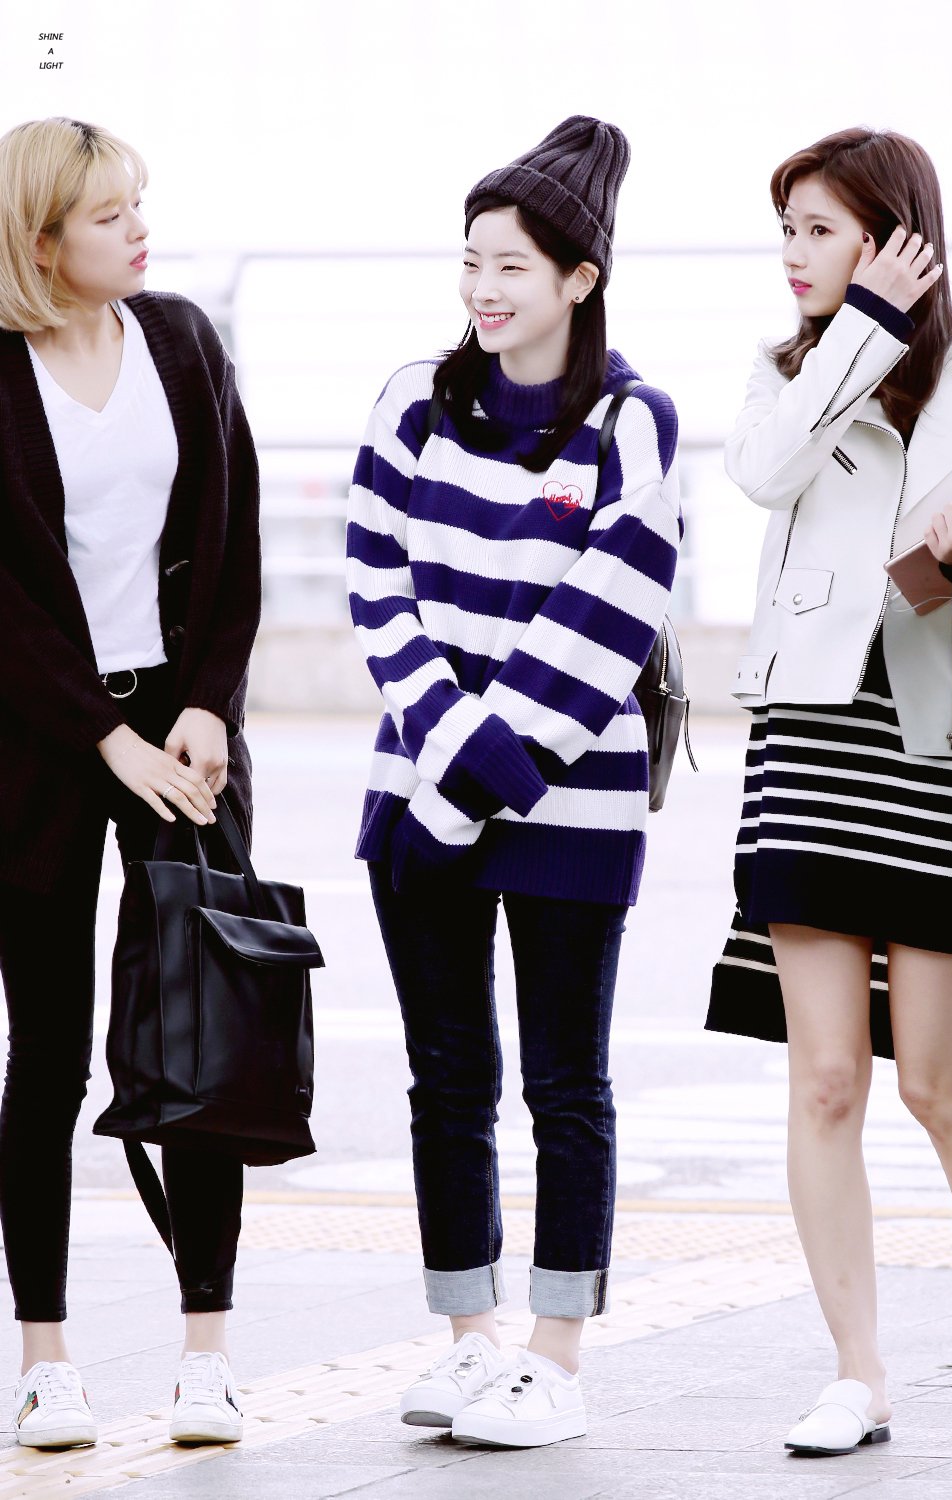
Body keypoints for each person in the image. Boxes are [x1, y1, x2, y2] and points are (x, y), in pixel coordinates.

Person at [346, 116, 680, 1450]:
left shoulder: (629, 422)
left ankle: (555, 1356)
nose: (484, 289)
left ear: (580, 278)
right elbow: (377, 584)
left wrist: (475, 781)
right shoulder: (412, 401)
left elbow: (608, 618)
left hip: (567, 811)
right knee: (446, 1080)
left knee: (565, 1086)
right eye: (472, 261)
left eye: (514, 267)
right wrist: (447, 762)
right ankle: (470, 1340)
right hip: (418, 795)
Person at [705, 127, 952, 1454]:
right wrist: (859, 334)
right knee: (825, 1078)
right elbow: (763, 473)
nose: (793, 255)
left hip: (946, 743)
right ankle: (857, 1374)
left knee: (939, 1081)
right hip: (813, 740)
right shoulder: (788, 371)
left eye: (820, 230)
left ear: (894, 237)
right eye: (789, 229)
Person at [0, 118, 260, 1449]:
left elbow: (233, 532)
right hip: (39, 741)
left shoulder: (183, 341)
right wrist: (103, 737)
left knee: (205, 1036)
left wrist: (208, 703)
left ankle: (206, 1355)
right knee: (45, 1050)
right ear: (42, 242)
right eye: (110, 215)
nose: (140, 230)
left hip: (185, 724)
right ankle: (46, 1359)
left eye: (138, 204)